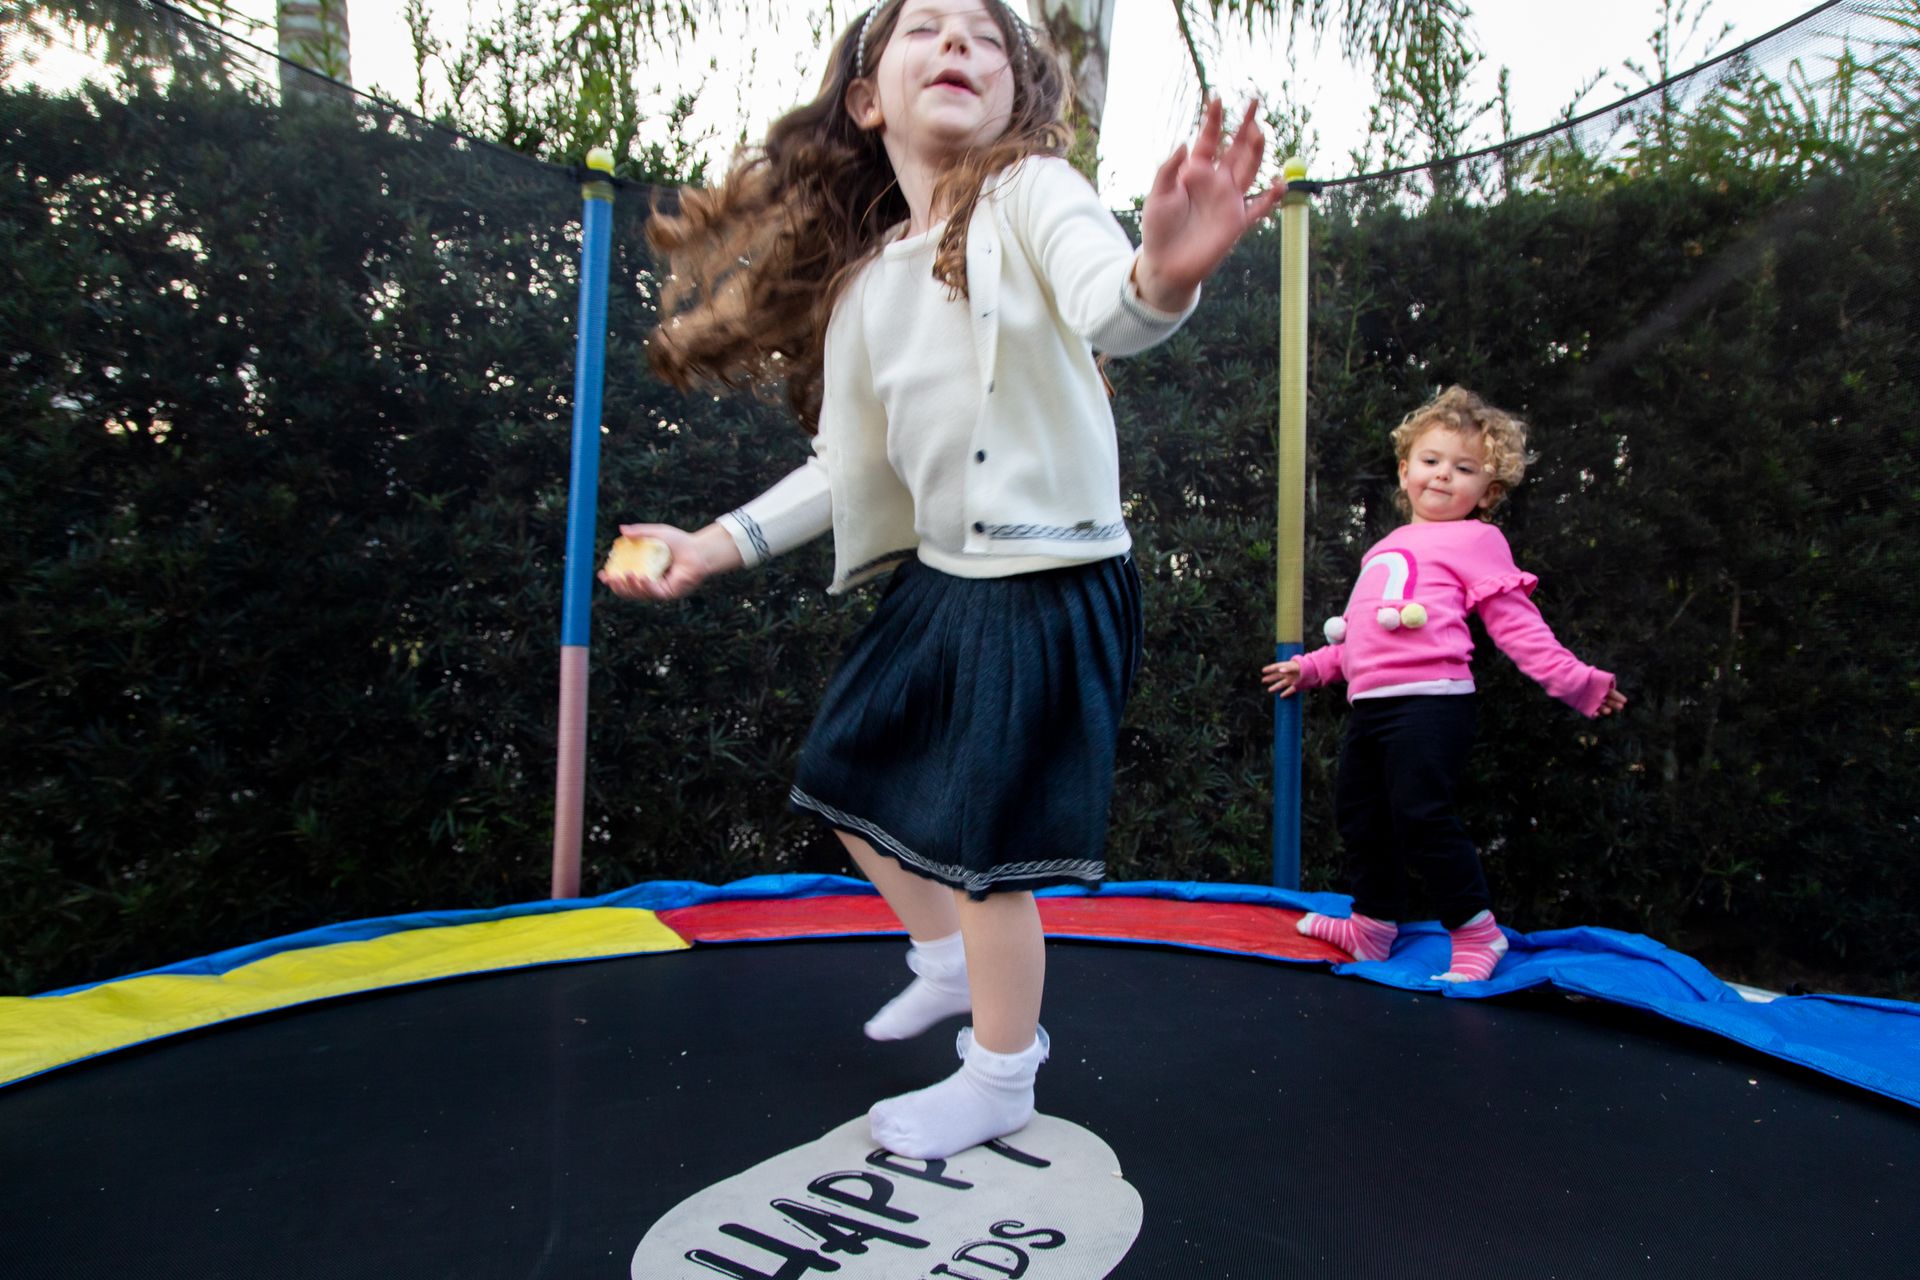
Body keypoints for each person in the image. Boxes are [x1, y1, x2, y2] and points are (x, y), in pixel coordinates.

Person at [601, 0, 1285, 1160]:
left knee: (982, 857)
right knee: (840, 771)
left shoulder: (1031, 197)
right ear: (868, 100)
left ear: (1019, 95)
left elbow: (1108, 300)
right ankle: (940, 961)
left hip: (1052, 577)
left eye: (986, 32)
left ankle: (1001, 1072)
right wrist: (716, 542)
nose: (959, 40)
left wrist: (1163, 276)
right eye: (926, 26)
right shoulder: (871, 285)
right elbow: (844, 466)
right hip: (944, 578)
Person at [1262, 387, 1627, 983]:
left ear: (1488, 491)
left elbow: (1516, 625)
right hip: (1372, 708)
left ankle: (1477, 931)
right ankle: (1373, 926)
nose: (1442, 476)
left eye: (1464, 469)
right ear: (1405, 469)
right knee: (1360, 816)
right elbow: (1362, 642)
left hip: (1431, 705)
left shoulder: (1476, 541)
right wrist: (1311, 668)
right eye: (1431, 461)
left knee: (1422, 815)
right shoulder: (1386, 547)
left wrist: (1576, 682)